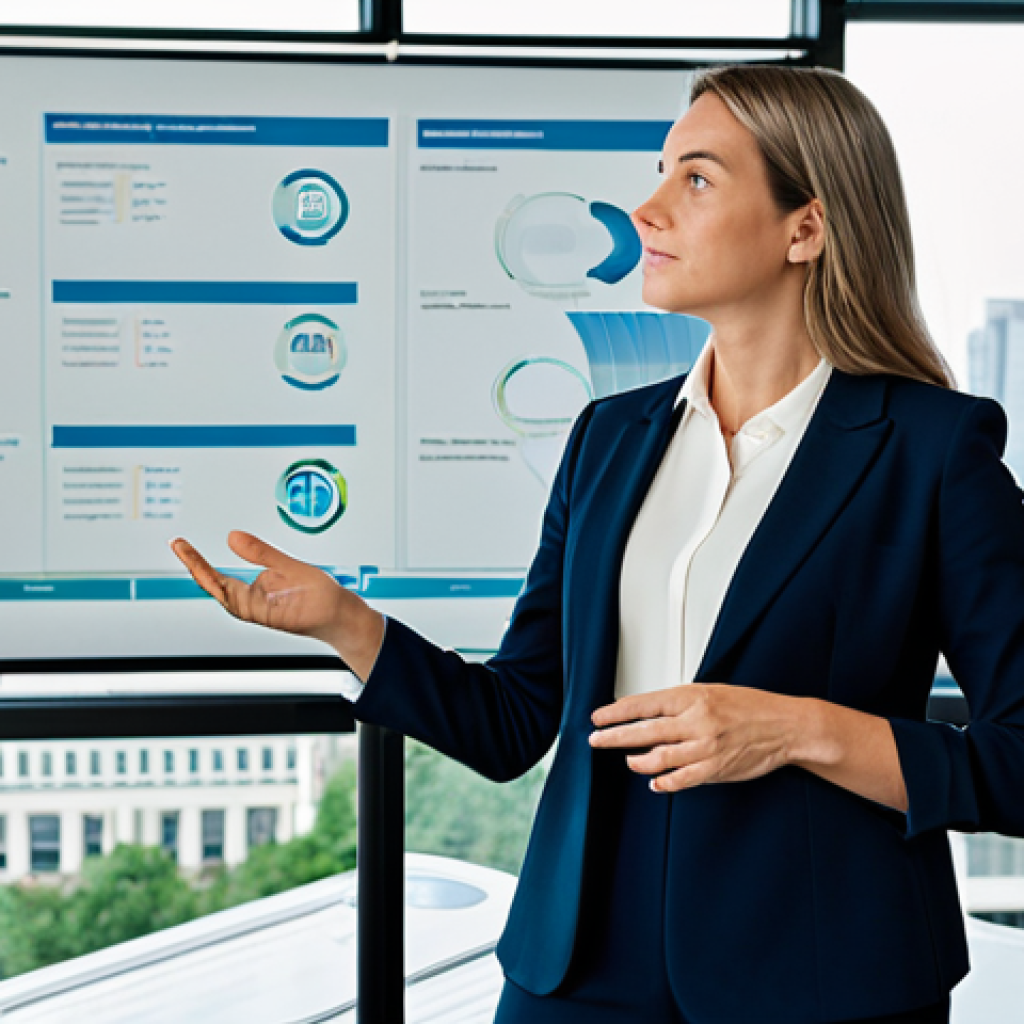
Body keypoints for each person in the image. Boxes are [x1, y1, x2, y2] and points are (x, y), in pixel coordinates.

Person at [171, 65, 1024, 1023]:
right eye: (660, 172)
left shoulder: (933, 450)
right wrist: (352, 627)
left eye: (695, 179)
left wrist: (800, 731)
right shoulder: (609, 439)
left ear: (807, 228)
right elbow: (518, 720)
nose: (648, 207)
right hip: (575, 972)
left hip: (820, 978)